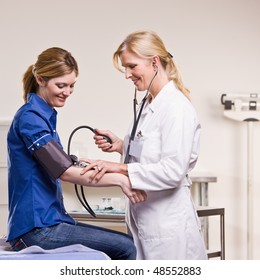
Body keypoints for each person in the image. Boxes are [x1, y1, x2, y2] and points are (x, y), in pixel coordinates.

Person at [6, 47, 147, 260]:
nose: (67, 91)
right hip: (36, 230)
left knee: (126, 243)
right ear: (40, 79)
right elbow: (64, 172)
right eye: (61, 85)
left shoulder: (43, 117)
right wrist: (120, 179)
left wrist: (86, 162)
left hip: (48, 222)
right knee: (126, 247)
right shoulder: (31, 118)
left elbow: (61, 164)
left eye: (72, 85)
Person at [81, 30, 208, 260]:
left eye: (132, 66)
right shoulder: (149, 104)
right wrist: (120, 145)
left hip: (167, 225)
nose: (127, 75)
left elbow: (173, 171)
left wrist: (117, 168)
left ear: (154, 62)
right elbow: (150, 153)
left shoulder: (175, 108)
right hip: (146, 220)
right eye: (125, 68)